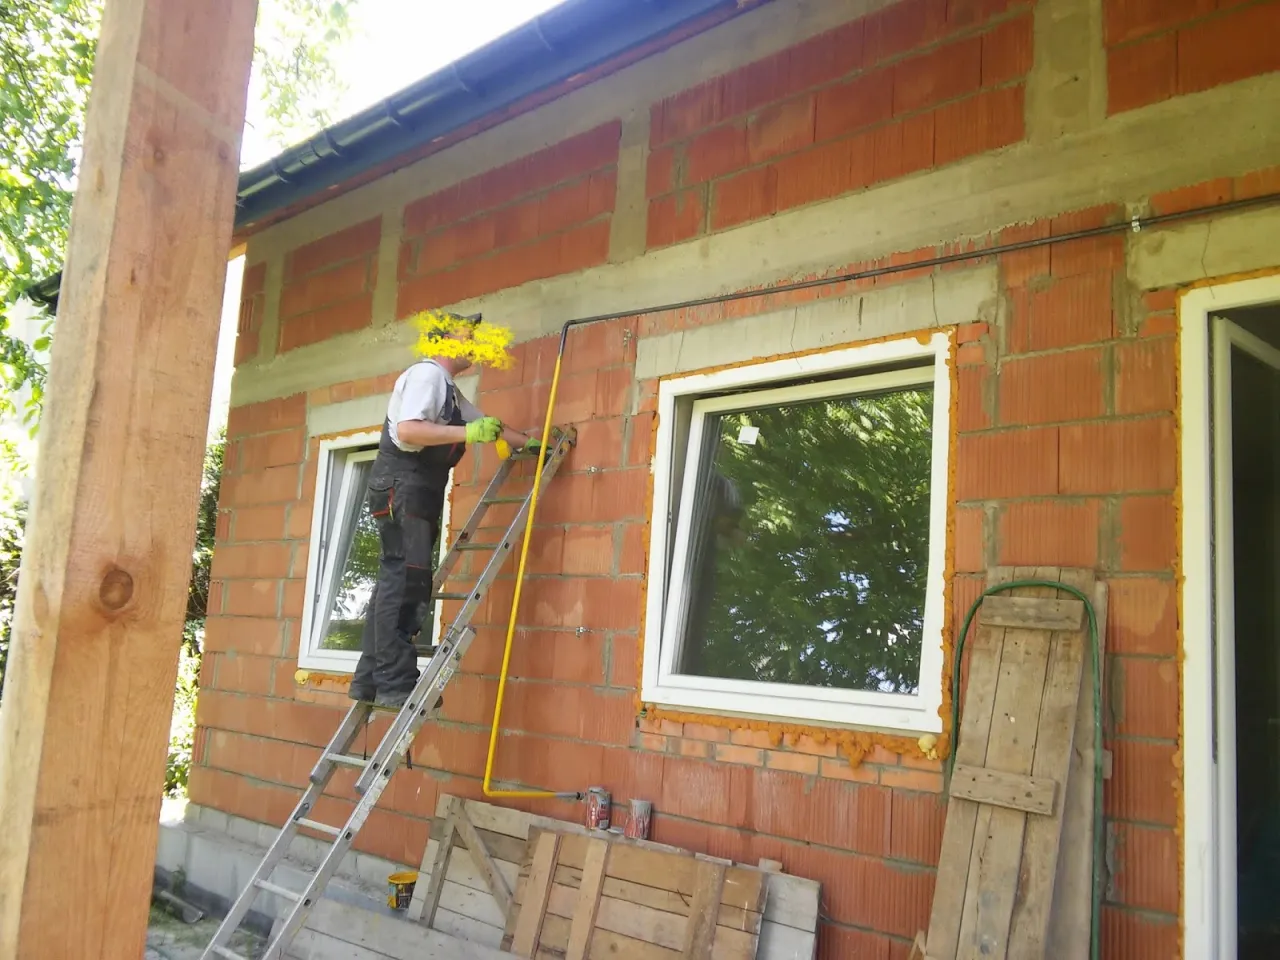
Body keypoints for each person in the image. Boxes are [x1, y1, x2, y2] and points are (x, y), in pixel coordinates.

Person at [349, 312, 538, 708]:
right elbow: (409, 429)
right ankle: (395, 684)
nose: (471, 340)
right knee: (407, 582)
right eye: (464, 334)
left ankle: (370, 679)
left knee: (395, 579)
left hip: (408, 490)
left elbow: (486, 423)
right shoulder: (427, 375)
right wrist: (467, 434)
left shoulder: (448, 389)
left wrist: (530, 444)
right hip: (404, 486)